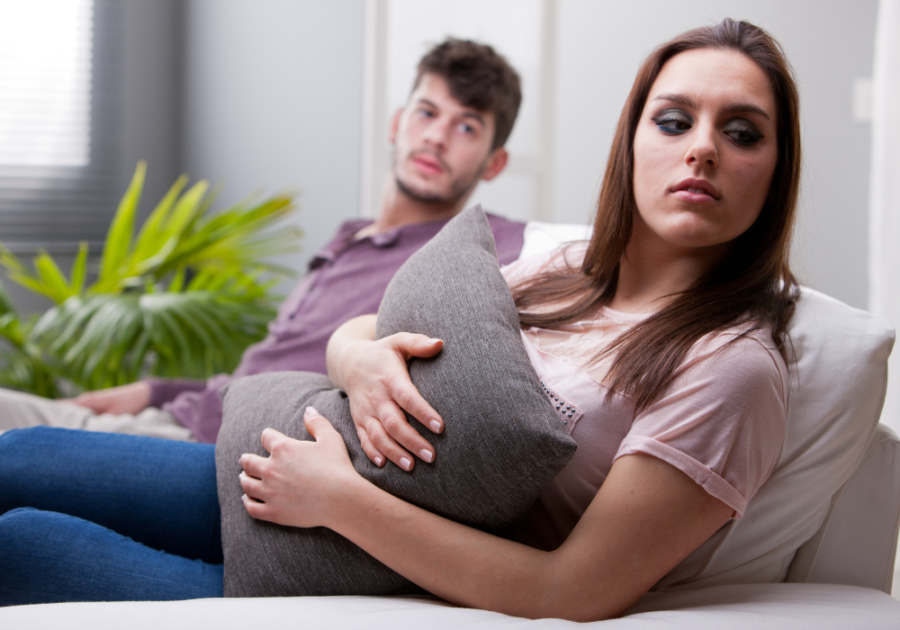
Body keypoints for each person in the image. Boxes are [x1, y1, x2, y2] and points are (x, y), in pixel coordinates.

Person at [0, 19, 800, 621]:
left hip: (366, 555)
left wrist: (339, 500)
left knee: (26, 545)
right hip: (292, 467)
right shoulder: (561, 273)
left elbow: (574, 590)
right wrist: (360, 363)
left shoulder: (730, 367)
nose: (702, 150)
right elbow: (361, 326)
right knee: (25, 458)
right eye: (673, 121)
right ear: (630, 145)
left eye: (741, 132)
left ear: (775, 171)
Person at [0, 38, 525, 446]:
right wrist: (154, 391)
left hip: (208, 445)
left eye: (467, 127)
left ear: (494, 163)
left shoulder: (470, 250)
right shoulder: (346, 240)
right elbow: (265, 367)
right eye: (428, 113)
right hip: (173, 416)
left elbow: (565, 256)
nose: (436, 136)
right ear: (397, 123)